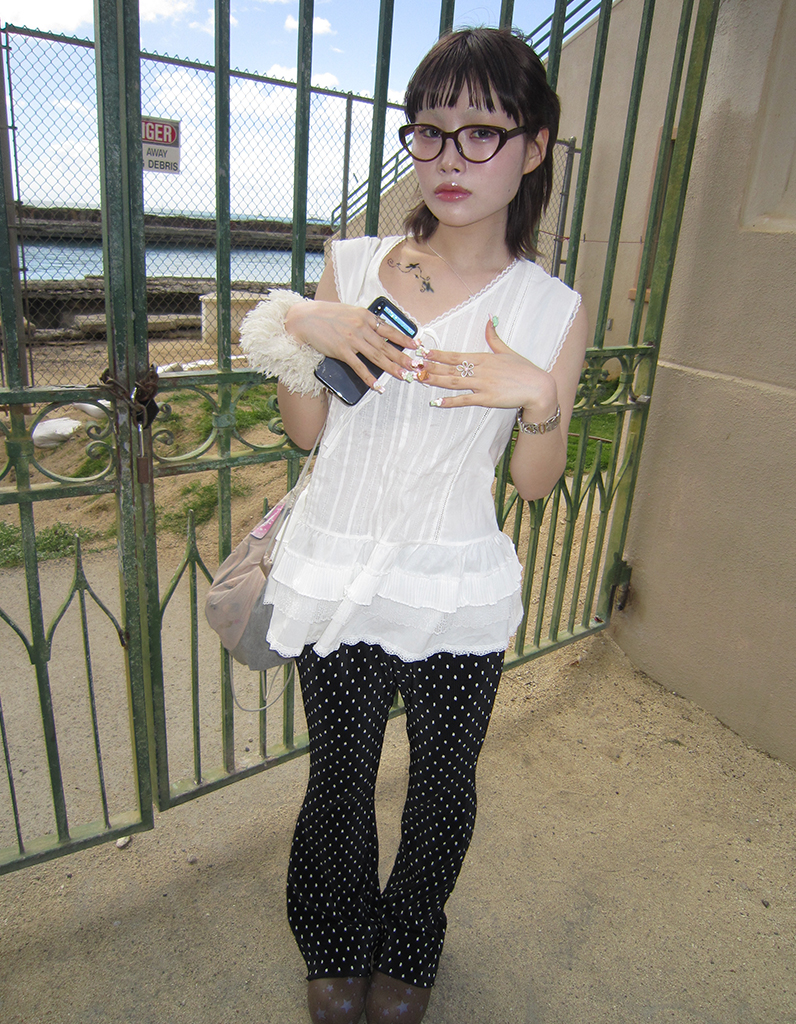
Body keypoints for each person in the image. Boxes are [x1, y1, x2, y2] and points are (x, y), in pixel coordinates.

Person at [240, 27, 588, 1024]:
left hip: (453, 581)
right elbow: (309, 430)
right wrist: (302, 327)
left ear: (533, 147)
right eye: (428, 132)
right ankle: (334, 941)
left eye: (481, 132)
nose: (448, 157)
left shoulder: (549, 306)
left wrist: (539, 398)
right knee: (338, 780)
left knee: (442, 787)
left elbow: (533, 483)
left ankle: (409, 946)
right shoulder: (352, 262)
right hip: (336, 566)